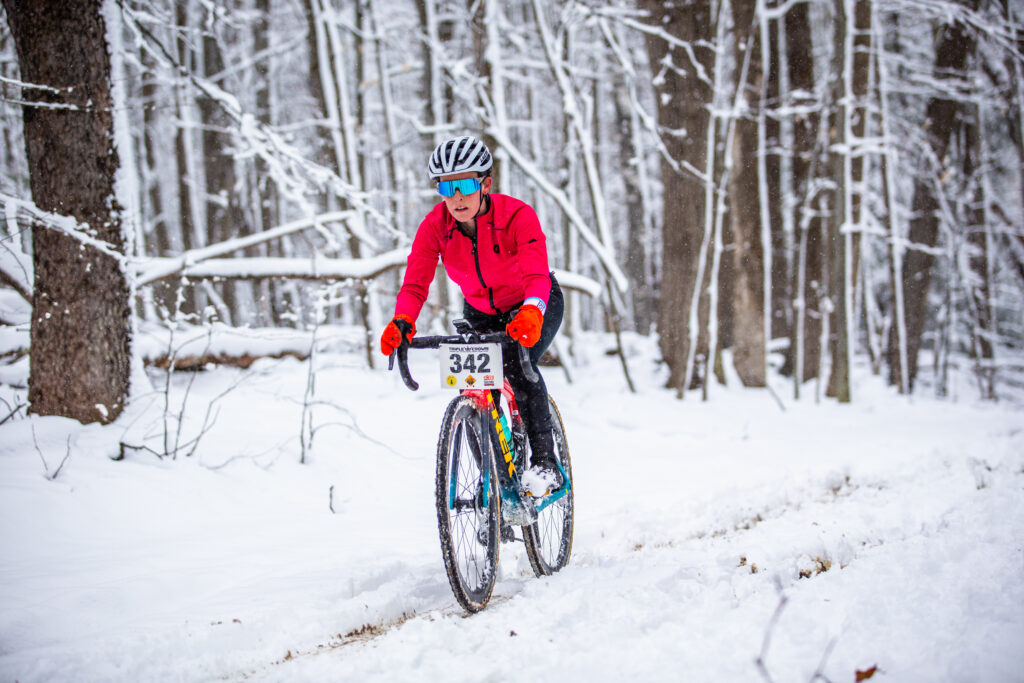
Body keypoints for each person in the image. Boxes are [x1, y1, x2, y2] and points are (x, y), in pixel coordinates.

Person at [380, 135, 565, 496]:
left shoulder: (517, 216)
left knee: (517, 367)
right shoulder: (435, 226)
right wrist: (402, 321)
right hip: (481, 312)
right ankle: (495, 488)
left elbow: (536, 275)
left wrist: (532, 311)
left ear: (485, 184)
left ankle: (546, 463)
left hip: (534, 303)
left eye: (465, 185)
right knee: (476, 386)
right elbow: (416, 283)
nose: (457, 197)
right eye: (447, 188)